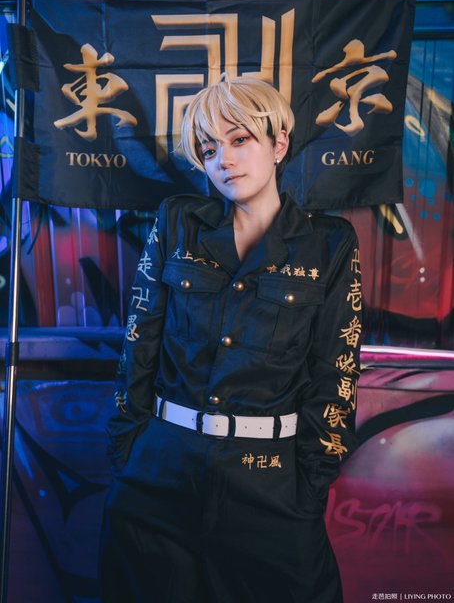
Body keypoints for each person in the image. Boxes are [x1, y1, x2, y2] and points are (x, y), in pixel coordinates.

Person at [99, 75, 361, 603]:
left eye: (239, 139)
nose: (224, 159)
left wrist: (311, 485)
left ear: (278, 143)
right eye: (209, 148)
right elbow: (139, 343)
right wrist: (128, 450)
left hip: (272, 486)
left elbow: (337, 372)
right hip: (160, 474)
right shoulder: (178, 223)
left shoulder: (329, 245)